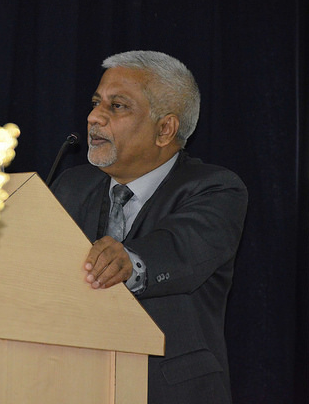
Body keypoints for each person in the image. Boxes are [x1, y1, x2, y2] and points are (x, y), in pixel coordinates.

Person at [51, 50, 247, 404]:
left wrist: (128, 260)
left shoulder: (215, 188)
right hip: (72, 382)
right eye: (96, 103)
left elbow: (182, 248)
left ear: (165, 129)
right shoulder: (71, 187)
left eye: (117, 106)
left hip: (170, 390)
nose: (94, 117)